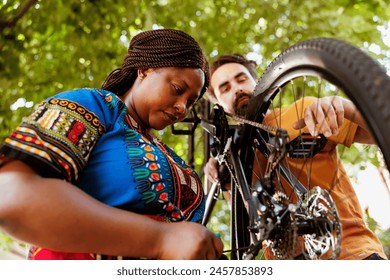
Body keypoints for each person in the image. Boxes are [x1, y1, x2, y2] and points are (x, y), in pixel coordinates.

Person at [0, 29, 224, 260]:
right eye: (178, 89)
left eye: (190, 102)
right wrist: (161, 239)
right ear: (145, 69)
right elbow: (12, 194)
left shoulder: (169, 156)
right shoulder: (95, 105)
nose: (182, 108)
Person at [204, 53, 387, 260]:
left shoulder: (302, 111)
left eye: (242, 79)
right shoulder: (234, 157)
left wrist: (344, 107)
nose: (236, 89)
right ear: (219, 104)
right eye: (225, 88)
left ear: (259, 82)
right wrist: (225, 179)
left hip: (351, 254)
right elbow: (250, 228)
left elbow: (382, 131)